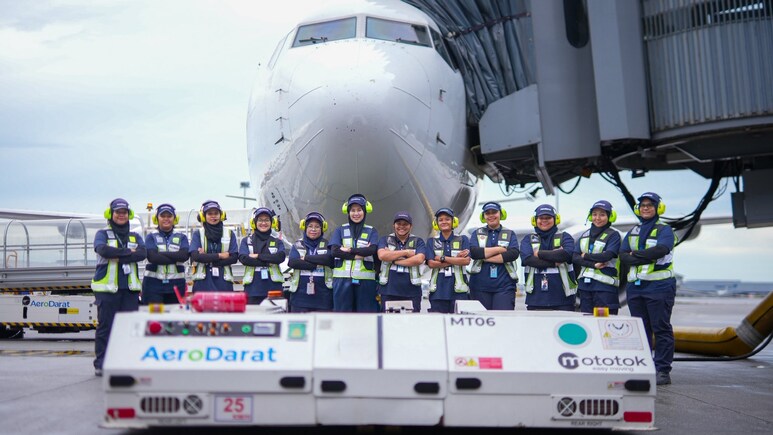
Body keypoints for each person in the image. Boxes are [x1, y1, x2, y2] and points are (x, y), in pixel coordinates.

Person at [619, 192, 677, 386]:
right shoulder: (633, 231)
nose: (645, 208)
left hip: (659, 286)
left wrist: (635, 254)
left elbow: (662, 250)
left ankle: (662, 370)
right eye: (642, 205)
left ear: (658, 208)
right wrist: (643, 256)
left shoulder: (665, 230)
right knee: (641, 330)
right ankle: (644, 366)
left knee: (660, 327)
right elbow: (622, 255)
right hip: (636, 288)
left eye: (649, 205)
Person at [91, 198, 146, 377]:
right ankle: (101, 363)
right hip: (107, 290)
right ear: (111, 214)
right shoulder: (102, 234)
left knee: (130, 329)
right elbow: (103, 250)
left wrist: (119, 255)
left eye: (124, 212)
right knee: (105, 327)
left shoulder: (135, 236)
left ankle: (126, 362)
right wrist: (129, 252)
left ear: (128, 215)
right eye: (118, 212)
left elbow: (142, 254)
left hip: (129, 290)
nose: (121, 215)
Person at [520, 204, 577, 311]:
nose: (544, 221)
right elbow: (527, 259)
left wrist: (539, 254)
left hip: (563, 299)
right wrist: (553, 262)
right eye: (541, 218)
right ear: (535, 220)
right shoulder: (528, 239)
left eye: (548, 218)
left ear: (556, 219)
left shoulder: (565, 237)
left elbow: (566, 254)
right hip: (536, 299)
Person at [330, 194, 380, 312]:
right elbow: (335, 251)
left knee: (366, 317)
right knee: (342, 317)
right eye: (352, 210)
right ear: (347, 212)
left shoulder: (372, 231)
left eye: (359, 210)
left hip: (366, 282)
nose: (356, 213)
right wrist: (358, 255)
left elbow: (372, 250)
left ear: (365, 211)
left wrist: (349, 250)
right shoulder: (340, 230)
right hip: (342, 281)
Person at [572, 200, 622, 315]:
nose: (597, 218)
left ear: (610, 217)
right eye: (594, 214)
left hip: (605, 288)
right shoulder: (585, 235)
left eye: (602, 215)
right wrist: (593, 264)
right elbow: (574, 257)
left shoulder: (613, 235)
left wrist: (586, 256)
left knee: (604, 325)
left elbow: (607, 256)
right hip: (585, 287)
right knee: (588, 324)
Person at [468, 202, 520, 310]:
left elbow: (513, 253)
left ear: (501, 214)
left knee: (503, 320)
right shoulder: (476, 233)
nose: (491, 215)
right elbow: (474, 253)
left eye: (494, 212)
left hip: (504, 286)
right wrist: (500, 249)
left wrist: (484, 255)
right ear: (483, 216)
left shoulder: (510, 233)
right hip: (479, 286)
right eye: (487, 213)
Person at [377, 211, 426, 313]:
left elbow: (419, 259)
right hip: (389, 290)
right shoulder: (385, 239)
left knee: (411, 324)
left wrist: (393, 259)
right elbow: (382, 255)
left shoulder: (418, 241)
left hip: (412, 291)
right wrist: (406, 252)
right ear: (393, 225)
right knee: (388, 323)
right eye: (398, 224)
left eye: (405, 224)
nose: (401, 227)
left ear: (411, 226)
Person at [287, 211, 335, 312]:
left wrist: (306, 258)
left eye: (317, 226)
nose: (313, 229)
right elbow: (293, 262)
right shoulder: (297, 245)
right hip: (300, 298)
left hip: (323, 298)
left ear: (322, 229)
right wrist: (316, 263)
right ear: (305, 228)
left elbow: (329, 260)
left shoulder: (329, 245)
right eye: (310, 226)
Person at [142, 203, 189, 305]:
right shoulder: (150, 237)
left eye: (169, 216)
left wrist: (160, 254)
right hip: (153, 286)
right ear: (157, 219)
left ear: (174, 219)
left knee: (174, 318)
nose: (166, 219)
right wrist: (176, 256)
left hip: (176, 285)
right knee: (154, 318)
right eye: (163, 216)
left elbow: (184, 256)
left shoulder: (182, 237)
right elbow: (153, 258)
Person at [426, 208, 471, 313]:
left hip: (459, 291)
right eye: (440, 220)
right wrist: (456, 259)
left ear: (453, 221)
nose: (444, 222)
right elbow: (431, 264)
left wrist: (442, 258)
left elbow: (466, 261)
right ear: (436, 223)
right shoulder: (431, 241)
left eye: (447, 219)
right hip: (438, 291)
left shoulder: (463, 239)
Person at [239, 207, 286, 304]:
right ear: (254, 222)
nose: (263, 223)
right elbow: (244, 259)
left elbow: (280, 257)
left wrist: (257, 256)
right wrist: (269, 260)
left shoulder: (277, 241)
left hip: (273, 287)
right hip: (252, 288)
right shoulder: (246, 241)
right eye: (260, 220)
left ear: (272, 223)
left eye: (267, 220)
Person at [189, 200, 237, 291]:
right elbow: (195, 256)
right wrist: (220, 255)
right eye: (210, 213)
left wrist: (206, 257)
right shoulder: (198, 234)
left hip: (224, 281)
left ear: (221, 215)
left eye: (216, 213)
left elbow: (234, 258)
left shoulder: (229, 233)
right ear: (203, 216)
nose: (213, 216)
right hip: (202, 282)